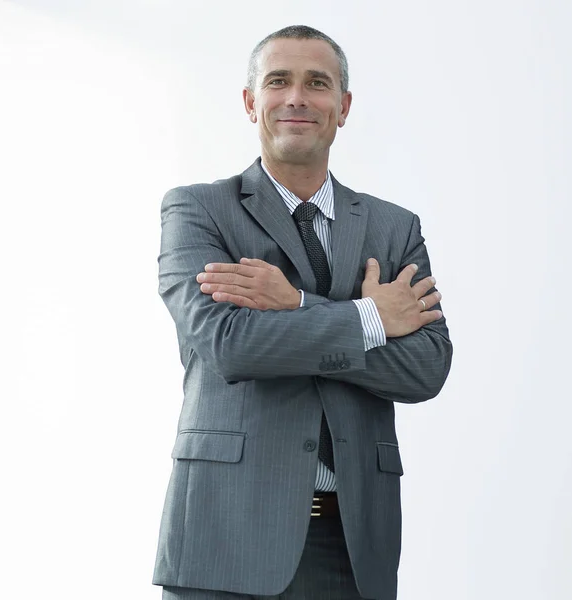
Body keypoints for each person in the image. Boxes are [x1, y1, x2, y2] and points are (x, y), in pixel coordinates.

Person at [152, 24, 452, 600]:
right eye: (278, 81)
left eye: (317, 83)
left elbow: (426, 368)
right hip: (226, 536)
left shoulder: (394, 229)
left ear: (343, 107)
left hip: (354, 542)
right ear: (250, 102)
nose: (296, 97)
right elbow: (232, 345)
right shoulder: (197, 211)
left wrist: (295, 306)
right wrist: (371, 319)